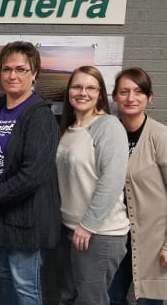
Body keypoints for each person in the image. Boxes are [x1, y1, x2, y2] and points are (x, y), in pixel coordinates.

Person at [0, 41, 61, 305]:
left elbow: (34, 172)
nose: (13, 75)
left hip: (27, 219)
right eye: (7, 69)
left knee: (25, 287)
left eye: (21, 69)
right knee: (5, 277)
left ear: (34, 73)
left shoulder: (40, 116)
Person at [56, 66, 129, 305]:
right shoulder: (68, 129)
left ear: (100, 93)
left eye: (90, 87)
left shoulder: (108, 126)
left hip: (99, 233)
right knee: (69, 296)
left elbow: (113, 180)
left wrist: (88, 225)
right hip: (70, 229)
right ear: (69, 91)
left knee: (91, 301)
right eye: (77, 86)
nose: (82, 92)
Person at [108, 67, 167, 304]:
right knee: (111, 297)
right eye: (124, 92)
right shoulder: (109, 133)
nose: (131, 98)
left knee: (149, 302)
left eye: (138, 91)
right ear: (114, 97)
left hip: (154, 242)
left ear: (149, 97)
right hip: (116, 237)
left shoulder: (160, 136)